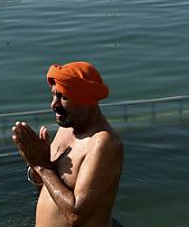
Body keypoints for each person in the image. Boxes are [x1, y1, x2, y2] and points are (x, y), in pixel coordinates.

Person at [12, 62, 123, 227]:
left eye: (63, 97)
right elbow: (48, 184)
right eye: (53, 95)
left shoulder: (102, 143)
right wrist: (35, 164)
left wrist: (42, 165)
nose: (53, 105)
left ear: (87, 101)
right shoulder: (66, 128)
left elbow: (76, 216)